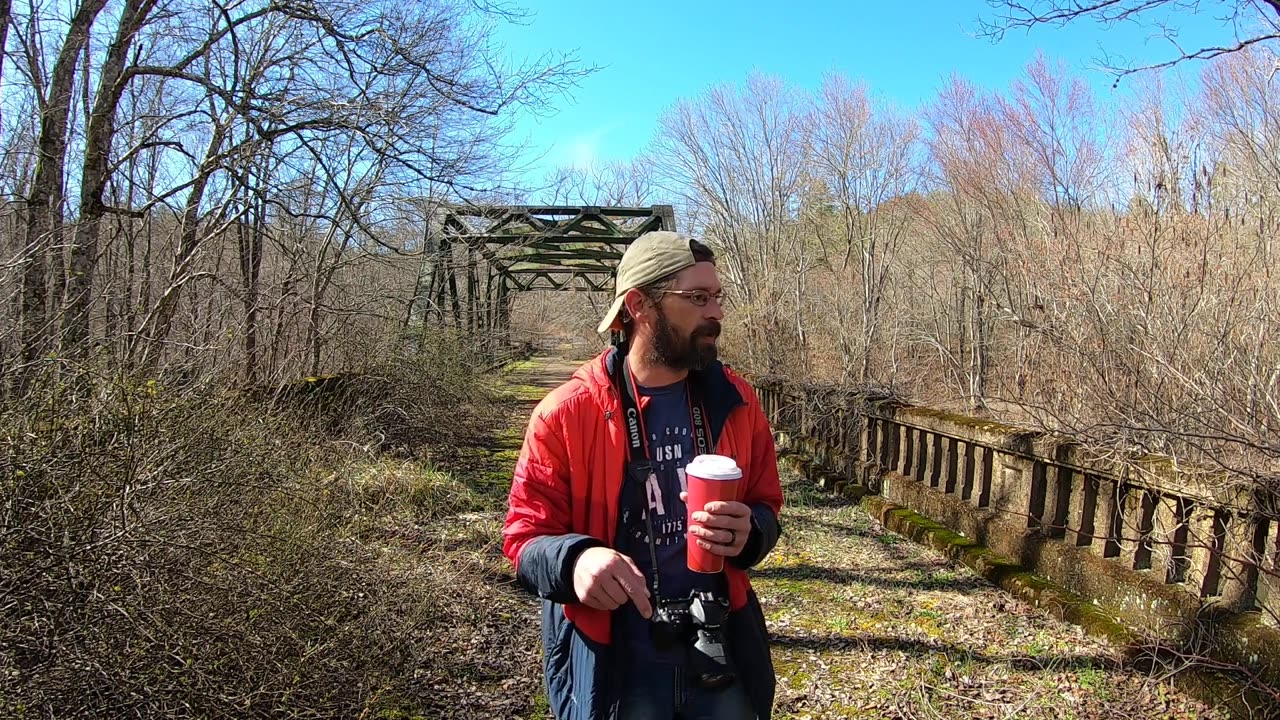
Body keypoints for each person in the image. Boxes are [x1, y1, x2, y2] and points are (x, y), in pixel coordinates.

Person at [502, 231, 784, 720]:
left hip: (719, 648)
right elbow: (525, 540)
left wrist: (752, 532)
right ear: (639, 305)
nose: (715, 312)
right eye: (697, 298)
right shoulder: (566, 414)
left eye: (717, 296)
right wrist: (575, 562)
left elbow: (766, 505)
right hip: (617, 661)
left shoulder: (737, 402)